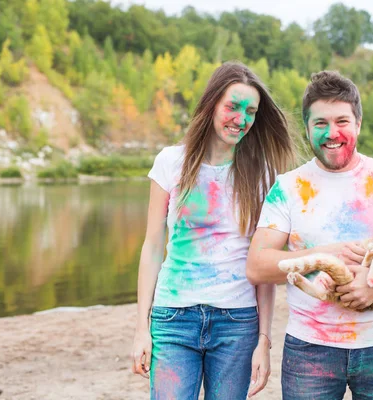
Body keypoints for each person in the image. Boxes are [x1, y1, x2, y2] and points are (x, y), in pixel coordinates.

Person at [246, 71, 373, 399]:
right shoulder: (287, 187)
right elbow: (257, 265)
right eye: (320, 123)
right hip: (309, 350)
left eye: (342, 121)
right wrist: (326, 255)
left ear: (358, 124)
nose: (332, 133)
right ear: (307, 128)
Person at [131, 61, 297, 399]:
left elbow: (262, 263)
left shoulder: (263, 174)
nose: (241, 118)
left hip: (237, 322)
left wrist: (264, 340)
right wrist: (141, 328)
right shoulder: (170, 162)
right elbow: (151, 247)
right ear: (211, 105)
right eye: (232, 107)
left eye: (250, 111)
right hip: (173, 317)